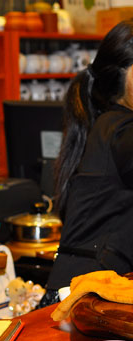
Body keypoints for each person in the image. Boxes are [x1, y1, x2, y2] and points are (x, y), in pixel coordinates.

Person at [41, 19, 133, 306]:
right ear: (122, 75)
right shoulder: (120, 128)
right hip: (82, 297)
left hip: (85, 290)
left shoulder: (110, 124)